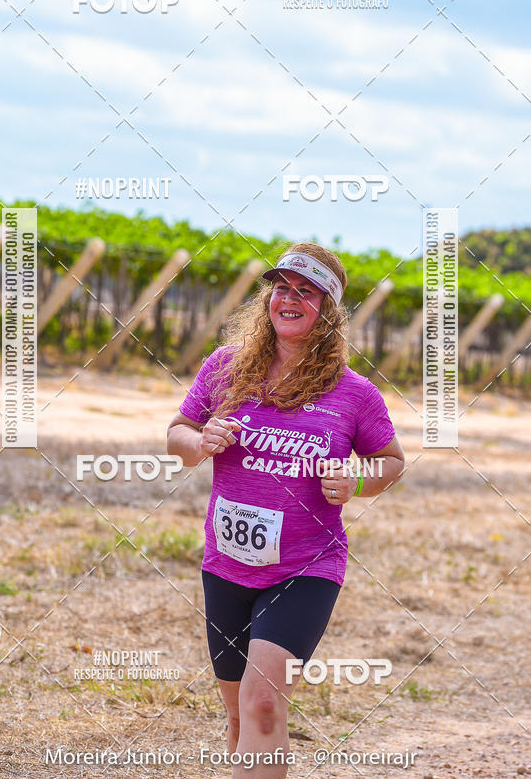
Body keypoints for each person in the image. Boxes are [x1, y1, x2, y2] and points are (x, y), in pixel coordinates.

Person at [167, 242, 405, 777]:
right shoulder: (225, 367)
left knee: (264, 704)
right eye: (281, 287)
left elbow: (391, 462)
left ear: (329, 311)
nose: (289, 299)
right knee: (238, 716)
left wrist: (358, 478)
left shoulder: (354, 394)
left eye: (306, 291)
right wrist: (200, 440)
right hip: (225, 563)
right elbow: (176, 433)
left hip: (305, 567)